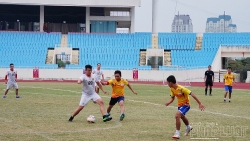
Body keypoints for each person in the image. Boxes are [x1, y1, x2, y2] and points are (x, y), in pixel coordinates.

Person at [165, 75, 205, 139]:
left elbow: (192, 94)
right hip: (180, 106)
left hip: (186, 105)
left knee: (177, 115)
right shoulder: (172, 89)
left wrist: (199, 103)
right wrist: (168, 103)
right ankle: (188, 127)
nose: (167, 84)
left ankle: (177, 133)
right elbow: (172, 98)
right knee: (182, 117)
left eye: (167, 82)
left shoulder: (182, 88)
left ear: (170, 82)